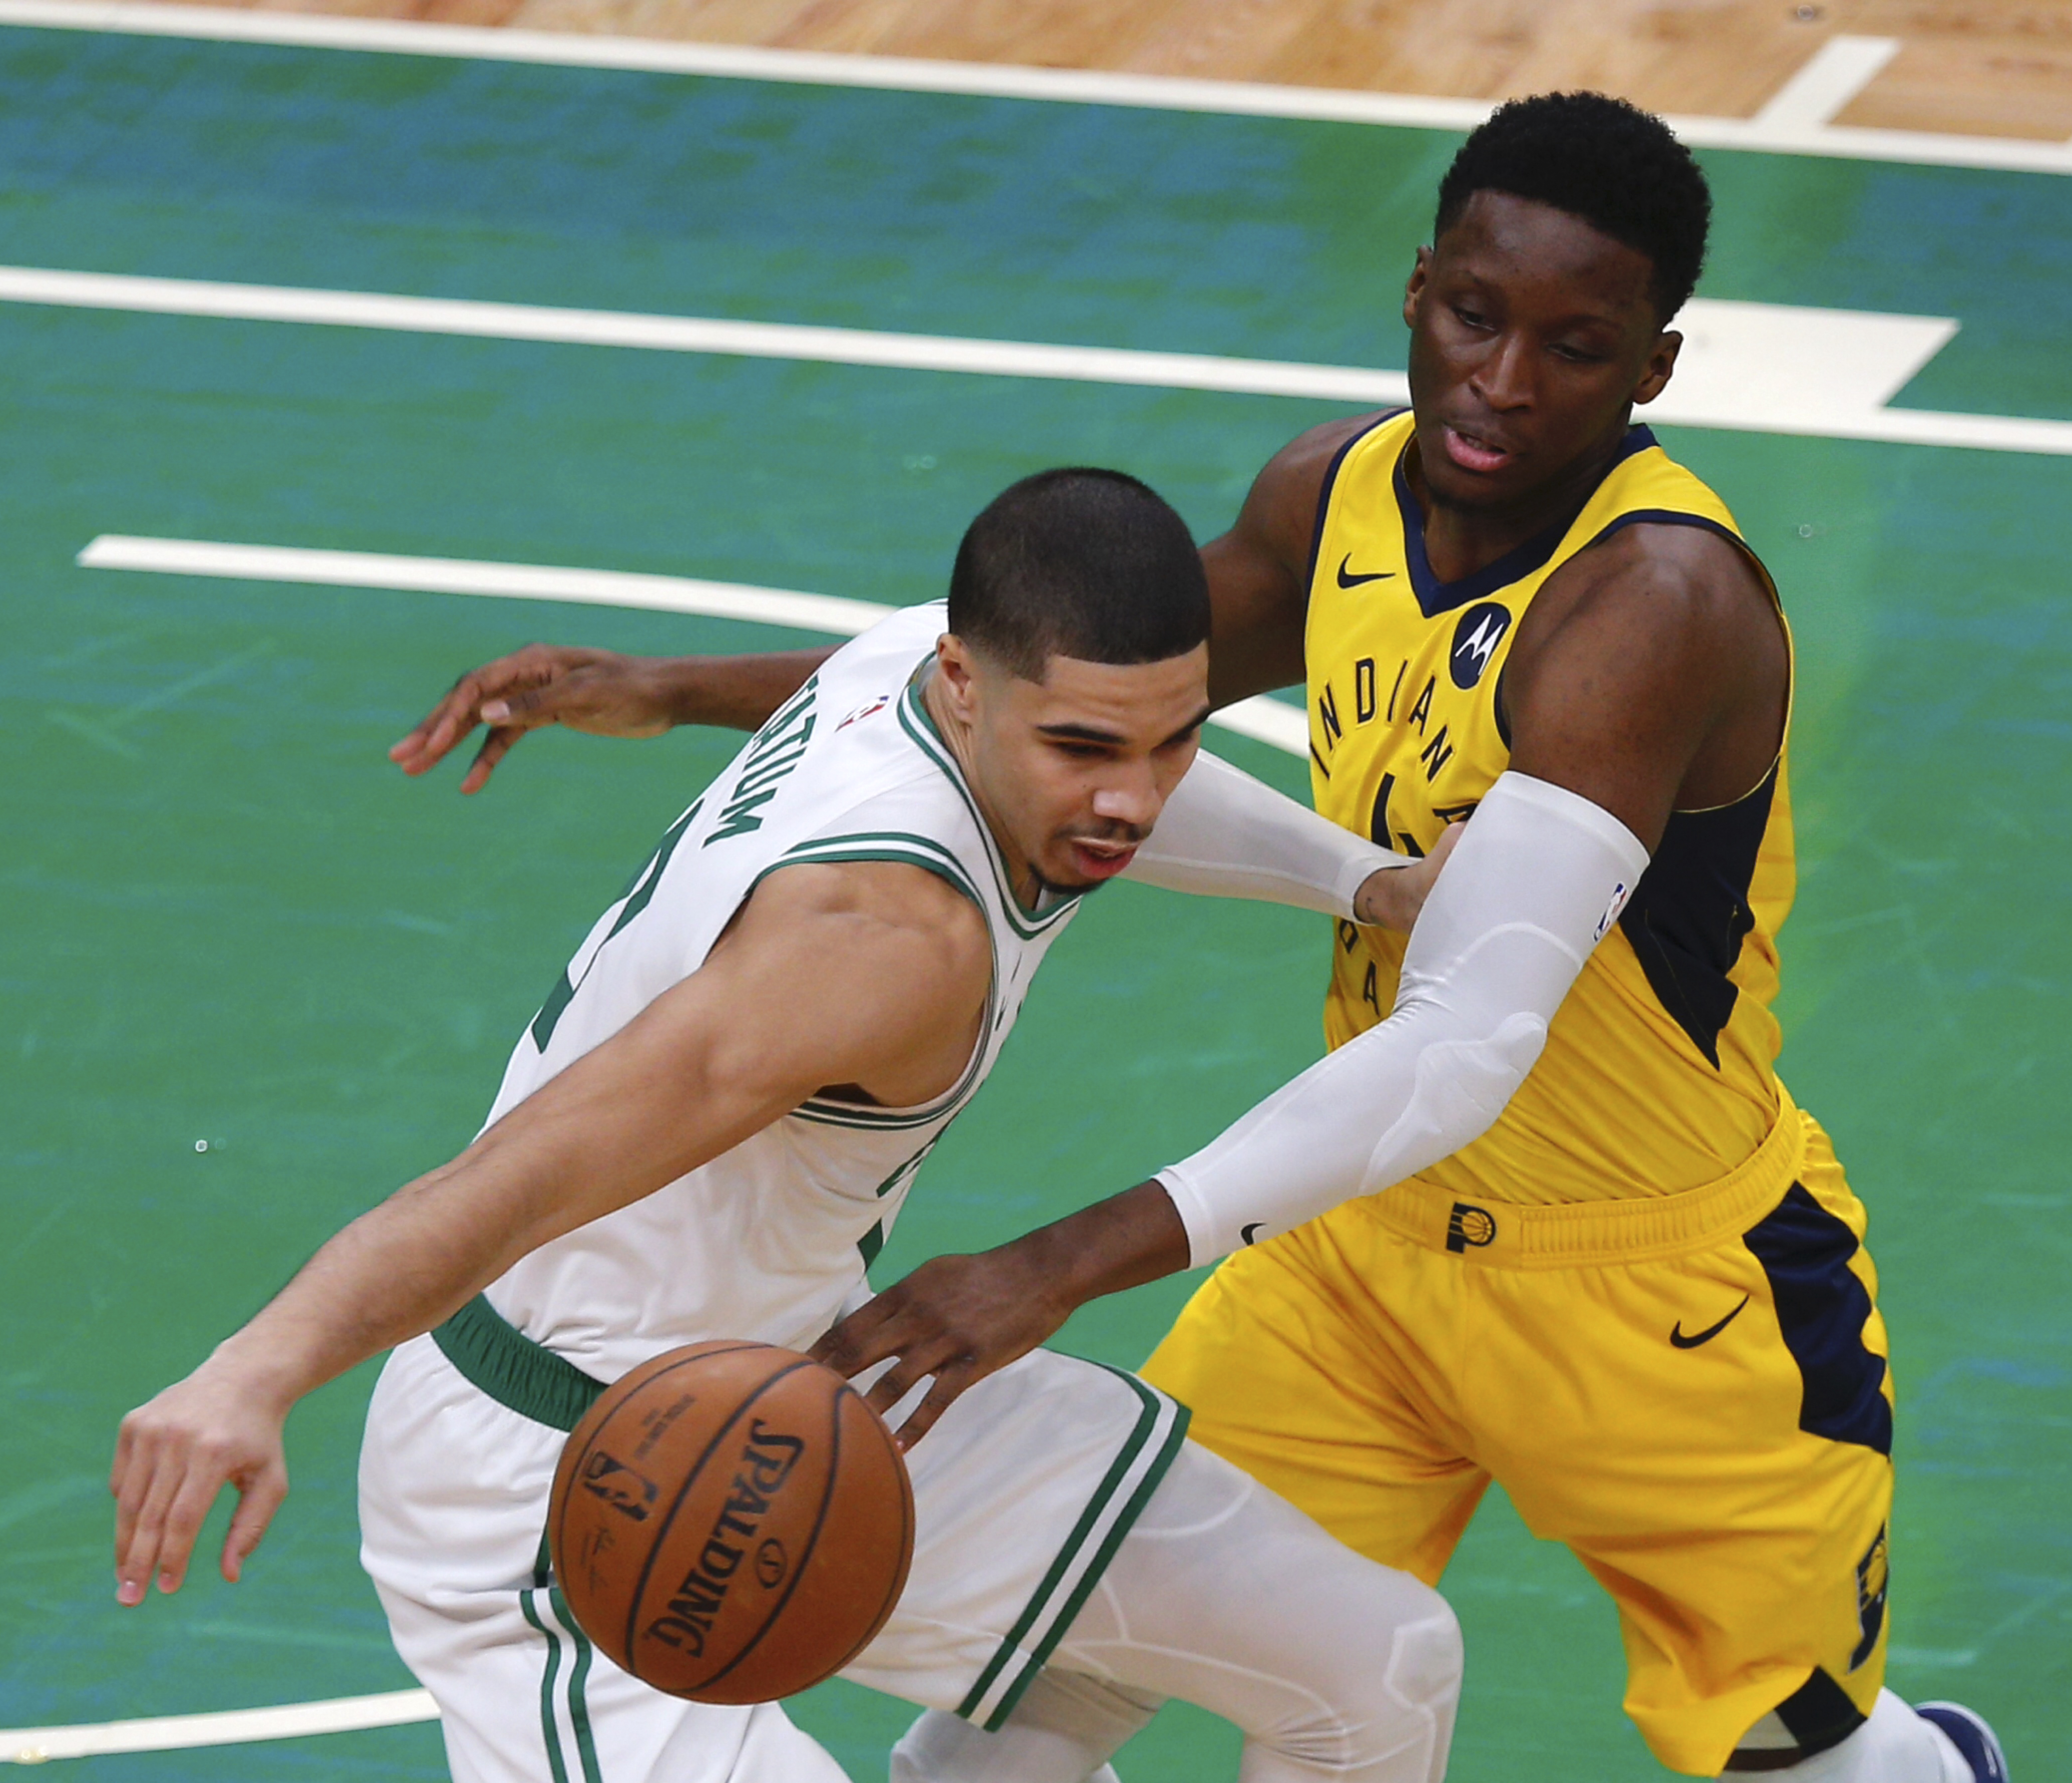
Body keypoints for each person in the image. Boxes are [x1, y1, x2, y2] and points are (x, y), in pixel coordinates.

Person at [390, 97, 2009, 1783]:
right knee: (1027, 1712)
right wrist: (667, 692)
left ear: (1653, 369)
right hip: (1354, 1251)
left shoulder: (1652, 606)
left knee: (1790, 1750)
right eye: (1475, 316)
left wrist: (1049, 1265)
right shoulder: (1333, 499)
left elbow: (1466, 1042)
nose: (1504, 382)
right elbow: (1043, 699)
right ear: (1414, 291)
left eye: (1576, 345)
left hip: (1662, 1294)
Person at [112, 468, 1467, 1783]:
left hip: (817, 1383)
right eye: (1081, 748)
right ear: (963, 688)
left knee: (1375, 1663)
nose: (1131, 793)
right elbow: (511, 1184)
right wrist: (256, 1365)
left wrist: (1367, 883)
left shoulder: (917, 676)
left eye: (1169, 738)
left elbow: (858, 677)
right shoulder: (879, 941)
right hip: (567, 1497)